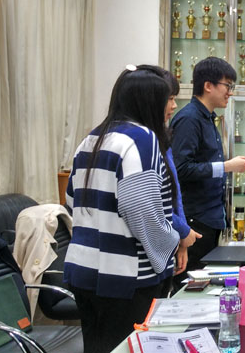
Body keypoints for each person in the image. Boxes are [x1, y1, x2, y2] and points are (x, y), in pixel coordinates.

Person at [64, 64, 181, 353]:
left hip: (83, 271)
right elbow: (140, 209)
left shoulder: (92, 137)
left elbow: (71, 200)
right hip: (126, 277)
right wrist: (171, 243)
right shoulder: (142, 138)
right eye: (167, 99)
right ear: (148, 101)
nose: (173, 106)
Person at [170, 57, 245, 281]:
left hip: (209, 218)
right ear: (208, 85)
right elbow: (180, 169)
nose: (230, 92)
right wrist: (226, 166)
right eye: (227, 86)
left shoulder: (207, 118)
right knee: (191, 285)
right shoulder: (189, 119)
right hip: (195, 221)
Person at [159, 69, 201, 277]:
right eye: (170, 99)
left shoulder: (162, 137)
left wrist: (182, 234)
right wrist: (182, 231)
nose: (175, 105)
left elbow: (174, 192)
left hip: (174, 236)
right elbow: (154, 204)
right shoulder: (143, 143)